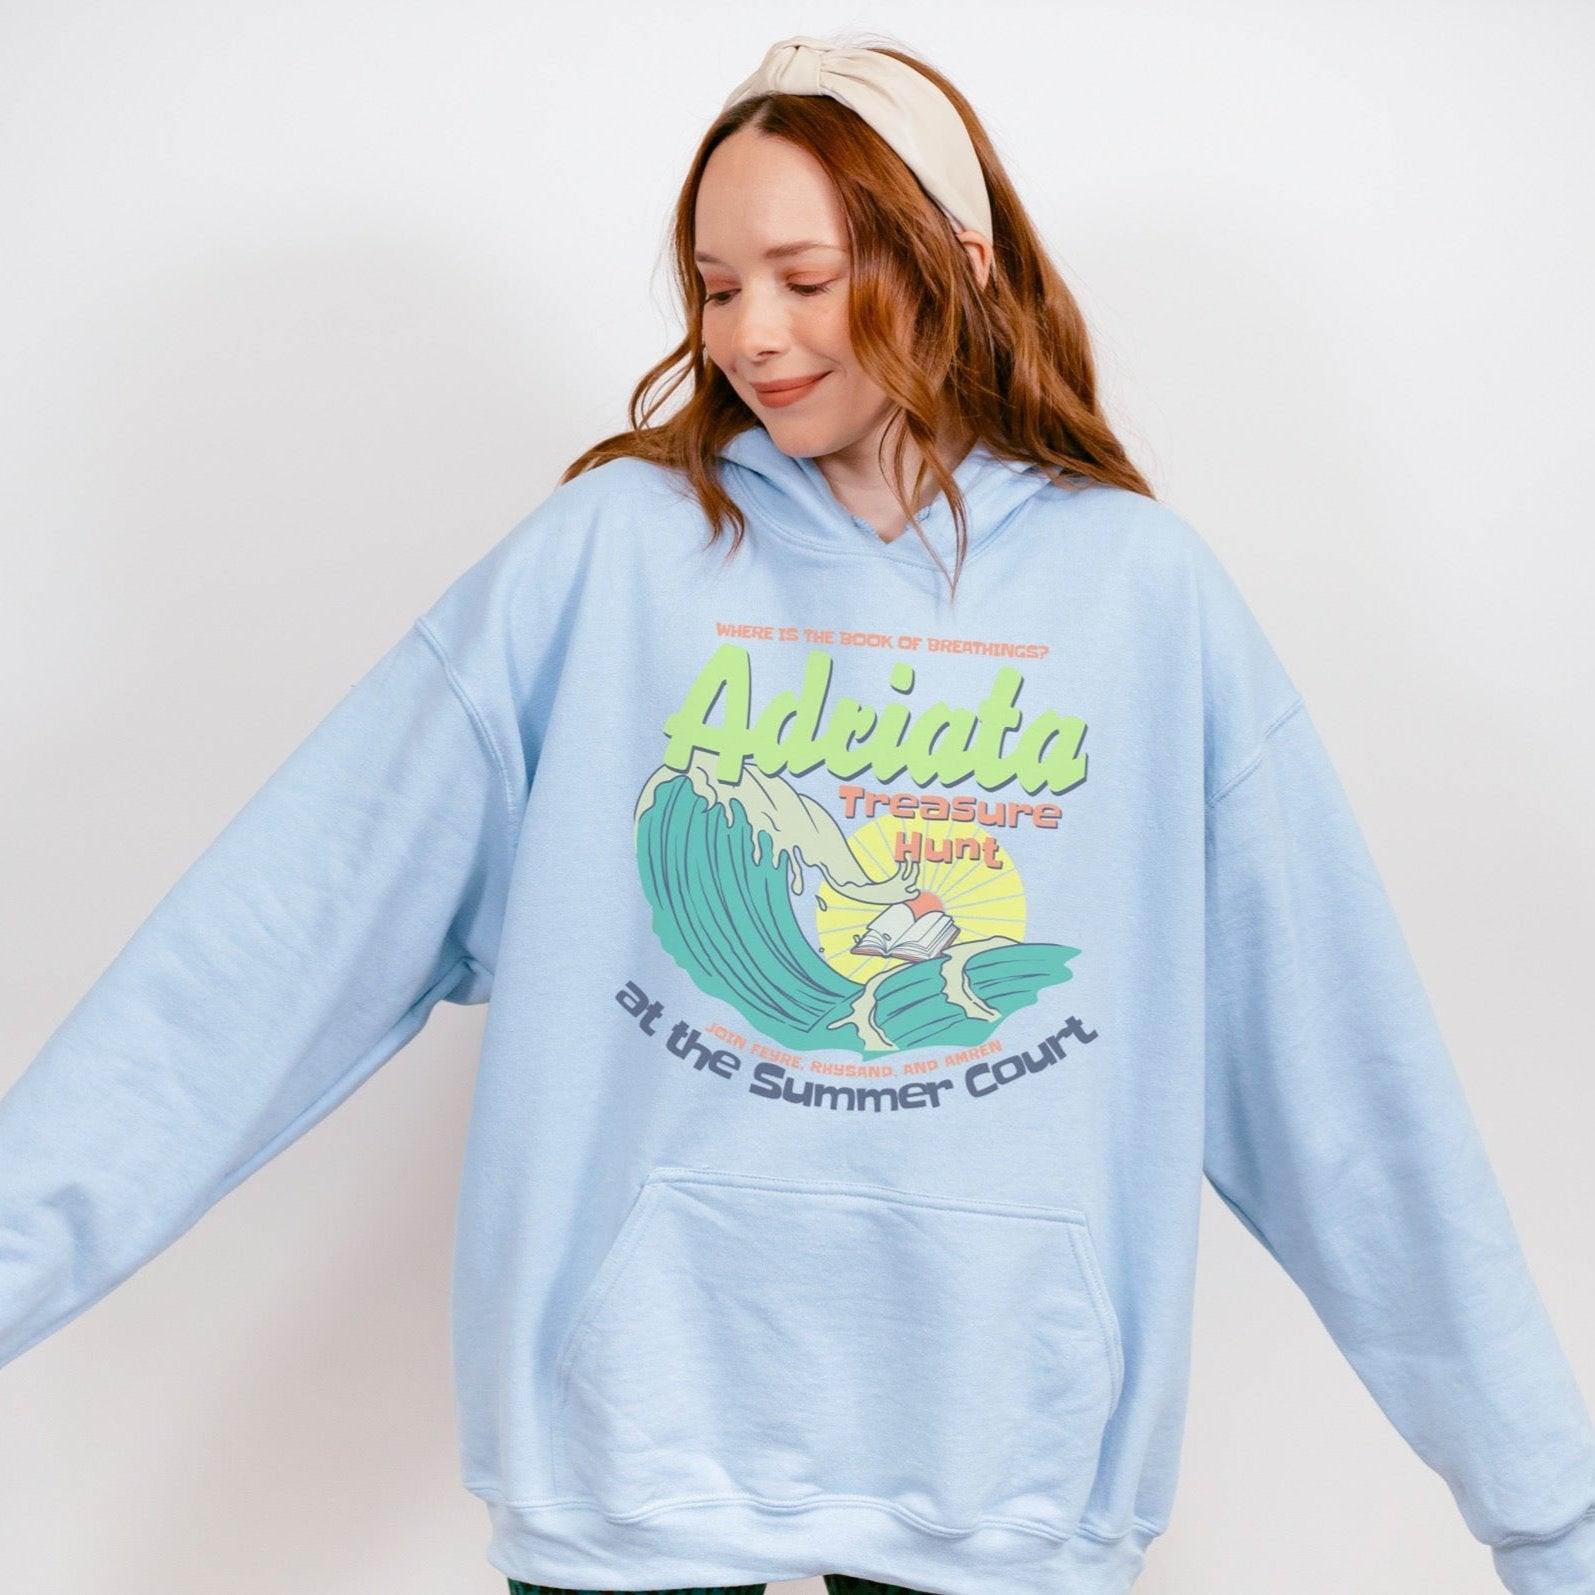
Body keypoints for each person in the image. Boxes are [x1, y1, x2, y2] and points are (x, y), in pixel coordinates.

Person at [2, 28, 1591, 1595]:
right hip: (637, 1437)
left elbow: (1343, 1080)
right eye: (715, 287)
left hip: (1010, 1444)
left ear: (956, 262)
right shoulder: (606, 564)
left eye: (805, 279)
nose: (751, 335)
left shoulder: (1141, 599)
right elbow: (270, 949)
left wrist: (1551, 1516)